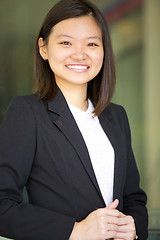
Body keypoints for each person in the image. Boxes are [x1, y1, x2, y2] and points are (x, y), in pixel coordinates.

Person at [0, 0, 148, 239]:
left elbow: (134, 197)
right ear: (44, 49)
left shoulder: (116, 116)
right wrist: (75, 231)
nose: (80, 54)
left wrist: (135, 226)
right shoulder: (27, 113)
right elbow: (2, 205)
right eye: (66, 42)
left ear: (103, 50)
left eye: (91, 43)